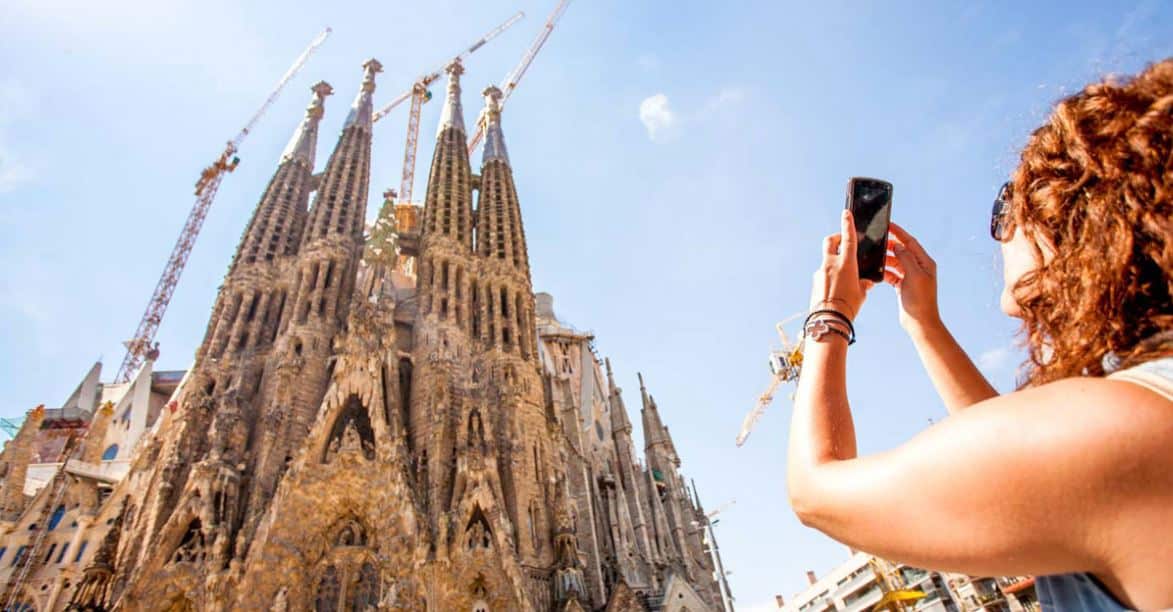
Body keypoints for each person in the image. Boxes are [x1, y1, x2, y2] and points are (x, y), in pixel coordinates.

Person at [786, 59, 1172, 611]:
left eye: (1006, 205)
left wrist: (829, 314)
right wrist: (924, 324)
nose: (999, 230)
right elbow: (1020, 458)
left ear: (1071, 217)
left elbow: (817, 492)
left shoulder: (1124, 435)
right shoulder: (1143, 410)